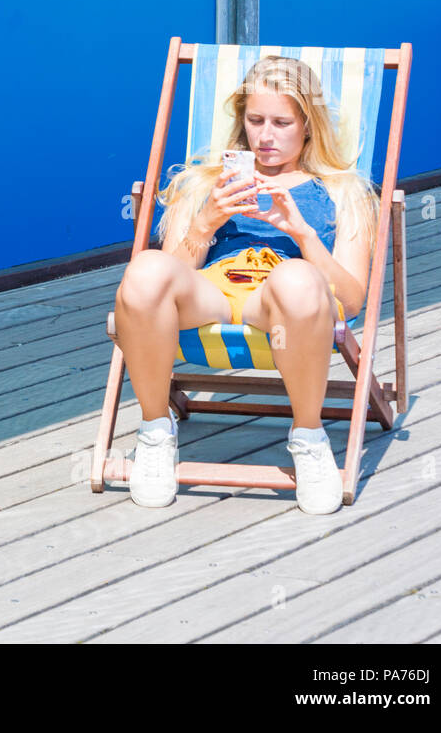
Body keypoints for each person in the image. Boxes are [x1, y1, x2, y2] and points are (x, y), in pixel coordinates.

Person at [113, 56, 377, 515]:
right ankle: (156, 433)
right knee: (145, 269)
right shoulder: (204, 184)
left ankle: (309, 438)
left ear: (308, 126)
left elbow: (351, 300)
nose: (266, 136)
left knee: (296, 277)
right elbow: (165, 279)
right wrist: (207, 220)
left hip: (284, 301)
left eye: (281, 122)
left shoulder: (342, 192)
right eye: (255, 120)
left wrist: (303, 235)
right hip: (211, 292)